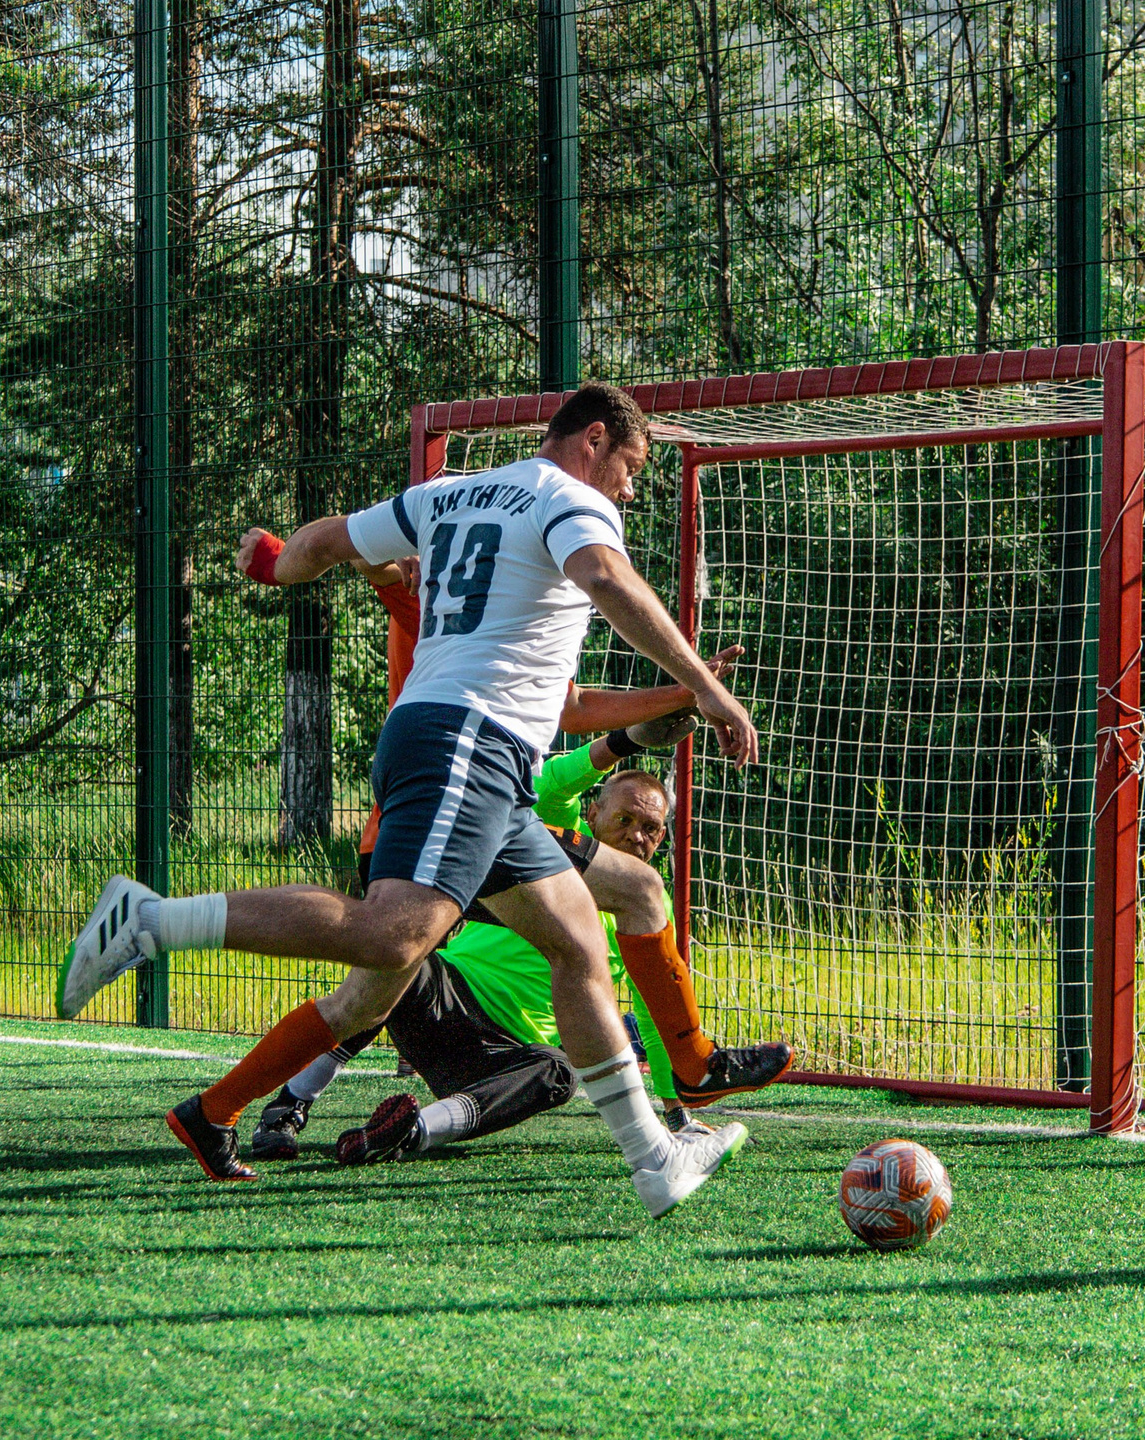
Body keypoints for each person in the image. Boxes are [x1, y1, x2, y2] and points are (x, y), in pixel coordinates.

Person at [60, 381, 760, 1218]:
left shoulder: (448, 493)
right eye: (631, 468)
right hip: (465, 740)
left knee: (578, 941)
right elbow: (606, 575)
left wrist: (275, 567)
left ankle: (655, 1160)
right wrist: (704, 688)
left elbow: (323, 539)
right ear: (595, 439)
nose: (631, 489)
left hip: (474, 752)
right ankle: (149, 922)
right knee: (392, 937)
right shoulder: (571, 498)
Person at [250, 709, 790, 1164]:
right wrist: (624, 740)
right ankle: (288, 1106)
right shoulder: (555, 843)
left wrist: (675, 1112)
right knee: (405, 956)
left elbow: (652, 1013)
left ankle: (410, 1133)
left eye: (651, 829)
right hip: (448, 995)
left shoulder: (644, 908)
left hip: (502, 1058)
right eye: (625, 818)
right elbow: (551, 783)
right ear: (595, 811)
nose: (637, 835)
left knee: (558, 1072)